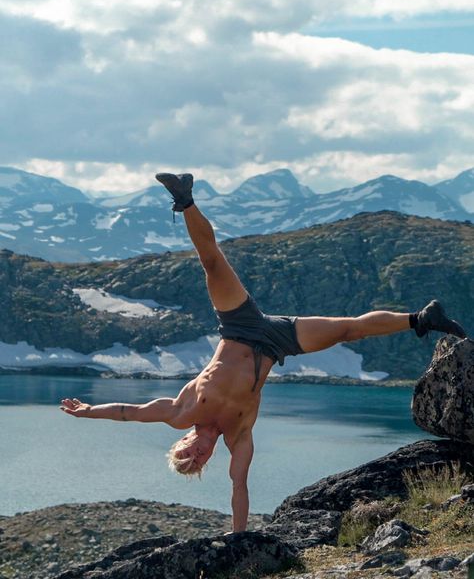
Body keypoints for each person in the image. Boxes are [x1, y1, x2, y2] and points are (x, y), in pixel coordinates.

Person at [60, 172, 467, 532]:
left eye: (187, 454)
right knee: (348, 331)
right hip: (275, 343)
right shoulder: (239, 437)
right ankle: (423, 320)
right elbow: (239, 486)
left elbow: (127, 413)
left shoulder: (180, 411)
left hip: (240, 327)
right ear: (205, 463)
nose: (196, 454)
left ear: (181, 443)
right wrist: (238, 541)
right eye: (197, 462)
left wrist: (86, 411)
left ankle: (184, 199)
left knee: (213, 263)